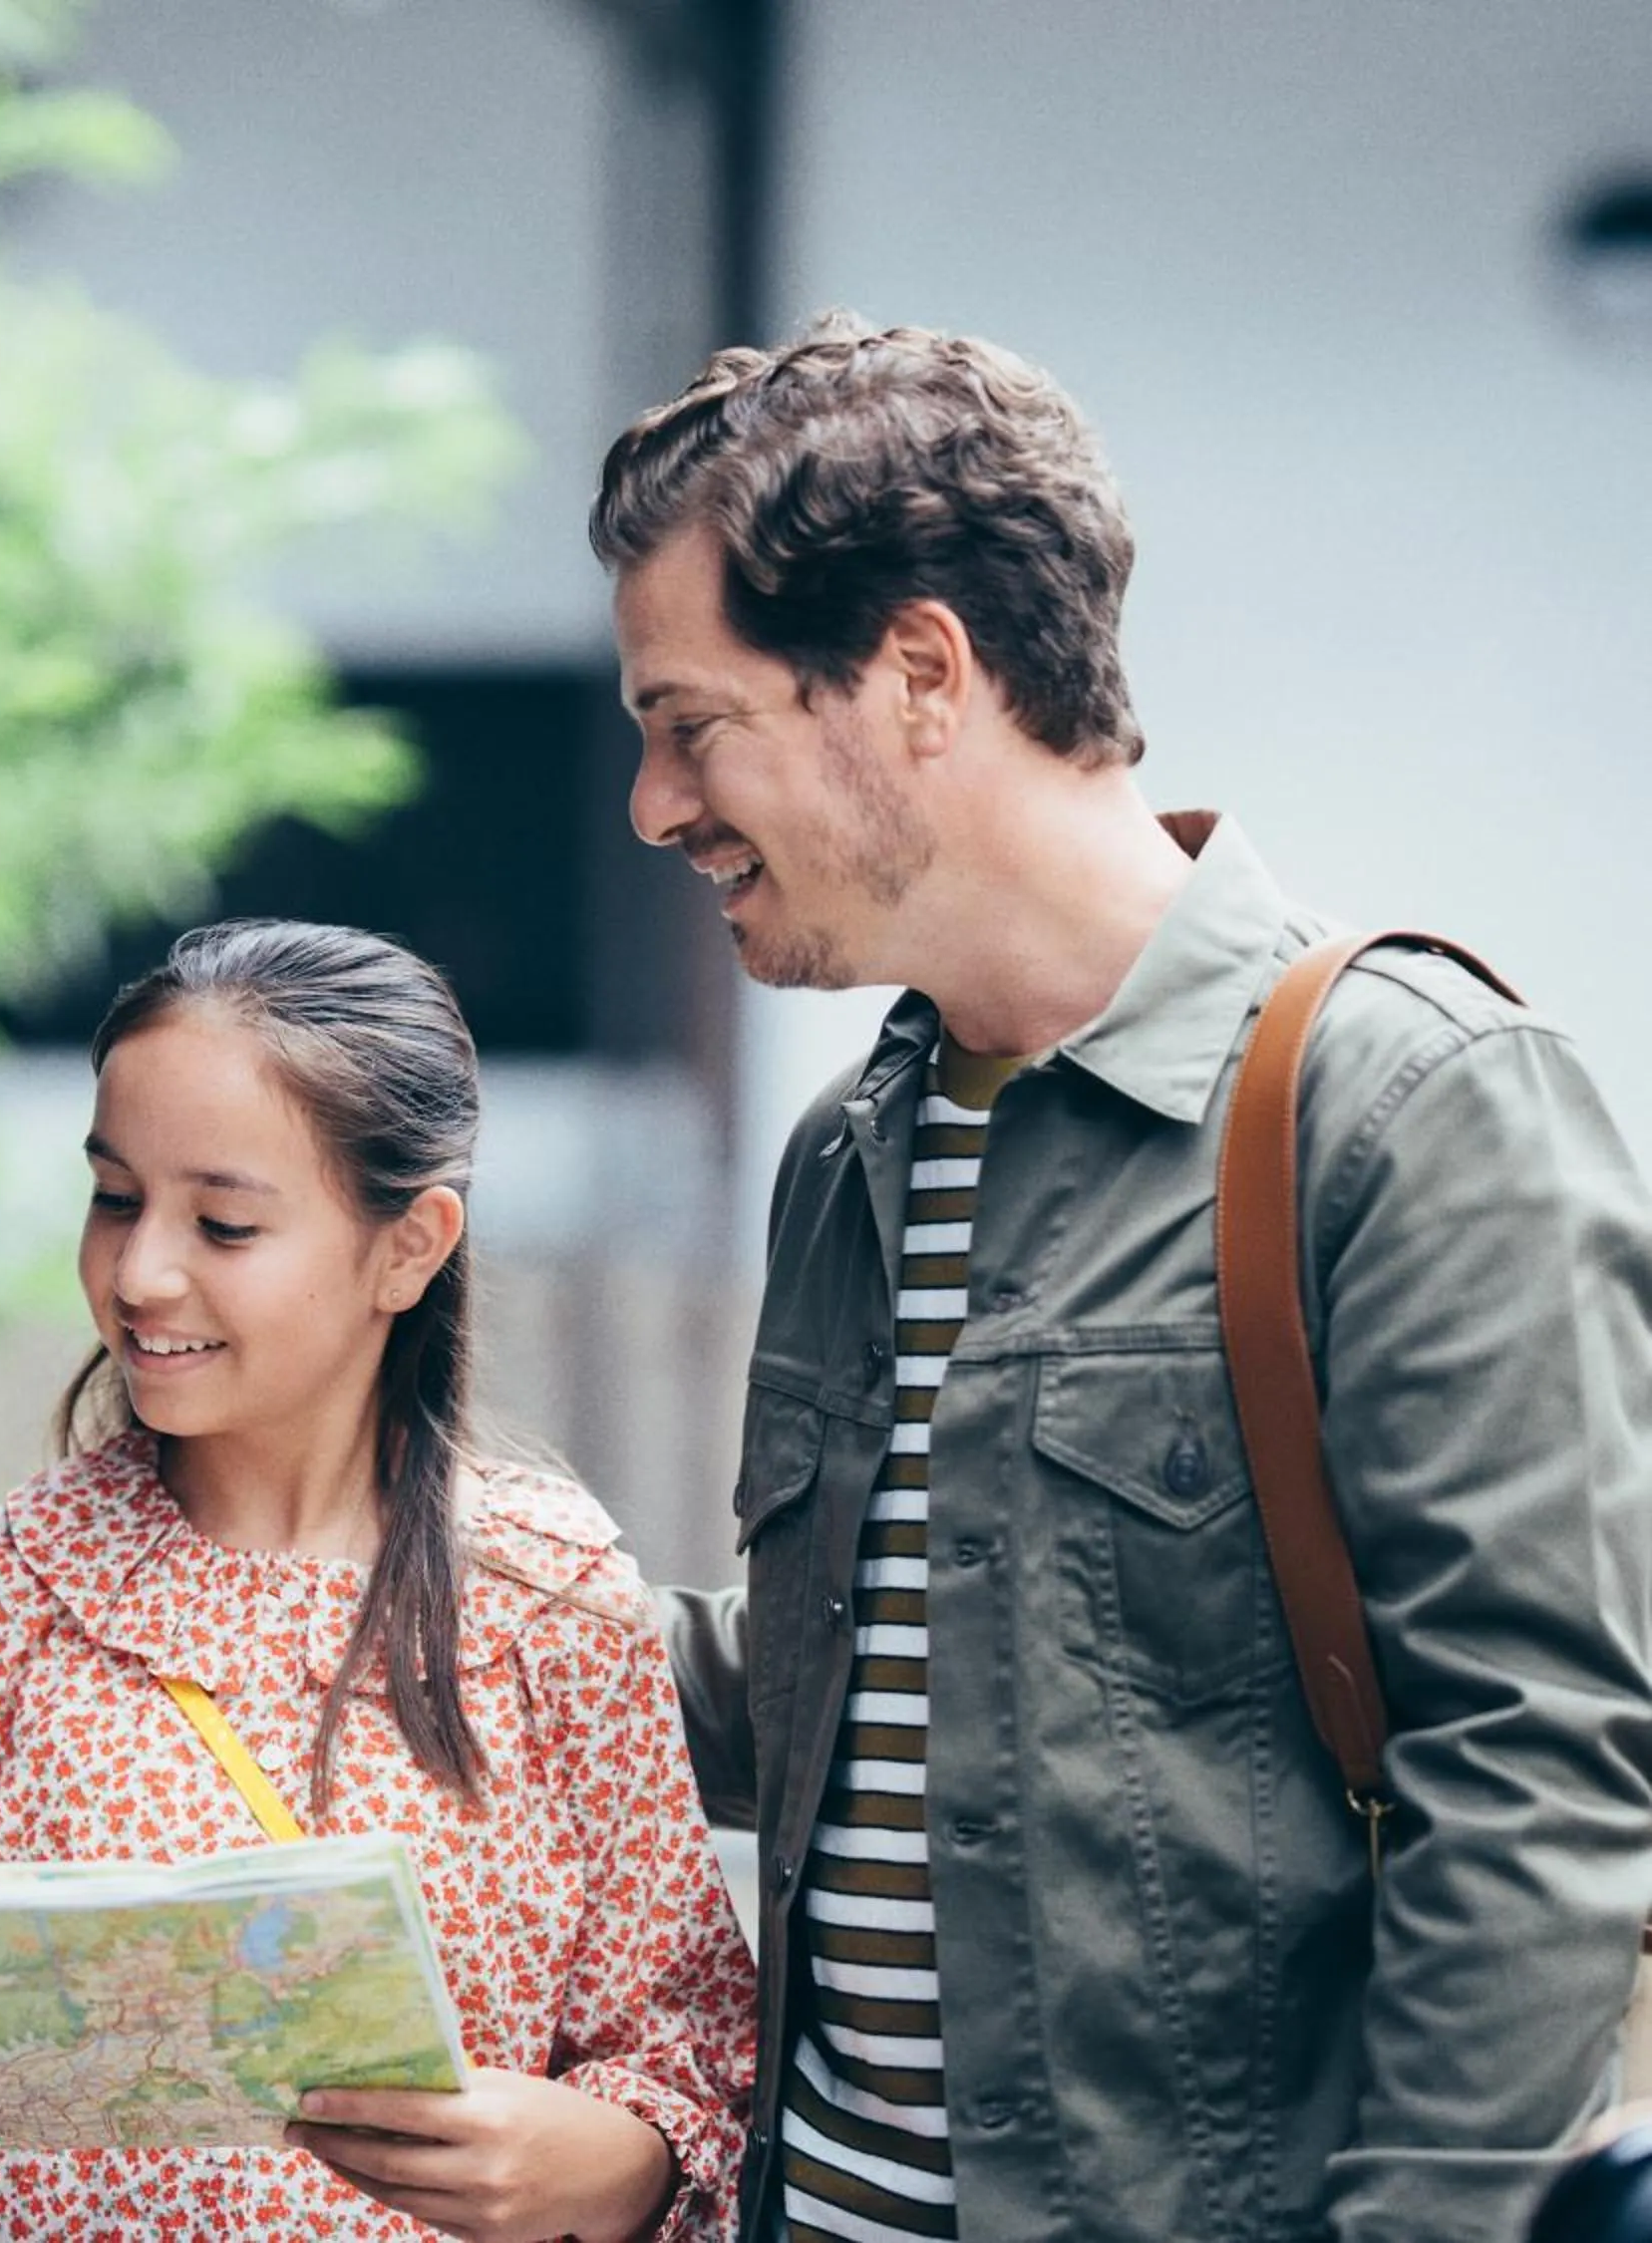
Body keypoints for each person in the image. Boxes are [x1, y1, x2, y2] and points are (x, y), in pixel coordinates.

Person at [598, 315, 1652, 2242]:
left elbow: (1541, 1792)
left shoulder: (1410, 1108)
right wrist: (448, 1597)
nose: (656, 807)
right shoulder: (853, 1153)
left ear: (919, 670)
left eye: (692, 724)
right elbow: (906, 1684)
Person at [0, 917, 759, 2239]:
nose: (140, 1271)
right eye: (115, 1196)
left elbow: (694, 2059)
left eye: (225, 1221)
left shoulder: (551, 1591)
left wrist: (603, 2159)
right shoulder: (0, 1593)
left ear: (410, 1246)